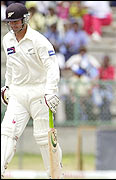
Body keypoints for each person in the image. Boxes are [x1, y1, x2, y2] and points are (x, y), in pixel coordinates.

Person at [1, 3, 62, 178]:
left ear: (25, 19)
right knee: (7, 133)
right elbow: (11, 66)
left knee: (43, 137)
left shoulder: (39, 41)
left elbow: (52, 67)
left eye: (16, 21)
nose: (13, 25)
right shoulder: (7, 40)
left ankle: (55, 175)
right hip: (18, 93)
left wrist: (51, 90)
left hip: (39, 92)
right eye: (10, 22)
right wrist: (8, 86)